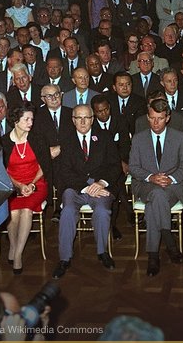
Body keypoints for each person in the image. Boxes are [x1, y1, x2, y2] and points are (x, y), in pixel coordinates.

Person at [52, 104, 121, 278]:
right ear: (73, 120)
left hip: (101, 188)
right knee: (67, 211)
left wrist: (102, 183)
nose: (83, 122)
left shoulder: (105, 137)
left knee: (103, 211)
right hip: (75, 188)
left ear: (93, 119)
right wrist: (86, 187)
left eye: (87, 117)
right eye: (79, 118)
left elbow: (115, 166)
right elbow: (64, 171)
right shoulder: (66, 141)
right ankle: (64, 259)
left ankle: (102, 252)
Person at [128, 98, 183, 276]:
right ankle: (170, 243)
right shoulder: (139, 139)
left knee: (156, 201)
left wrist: (170, 178)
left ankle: (153, 255)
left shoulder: (179, 137)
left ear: (167, 118)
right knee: (156, 195)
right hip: (146, 185)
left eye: (160, 118)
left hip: (172, 187)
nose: (156, 122)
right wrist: (151, 177)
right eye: (152, 118)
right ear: (148, 117)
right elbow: (133, 167)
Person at [1, 106, 47, 274]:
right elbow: (3, 169)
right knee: (13, 213)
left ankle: (18, 254)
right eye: (27, 119)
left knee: (26, 210)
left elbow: (44, 165)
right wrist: (19, 185)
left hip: (37, 183)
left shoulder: (37, 138)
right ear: (15, 121)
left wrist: (32, 184)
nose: (30, 123)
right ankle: (13, 246)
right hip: (12, 185)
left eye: (32, 119)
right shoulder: (4, 141)